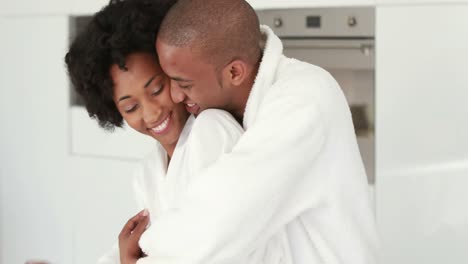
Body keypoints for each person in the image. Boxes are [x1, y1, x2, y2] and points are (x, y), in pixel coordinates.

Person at [135, 0, 380, 263]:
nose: (175, 94)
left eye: (184, 83)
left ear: (234, 72)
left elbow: (218, 222)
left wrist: (141, 252)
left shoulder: (303, 99)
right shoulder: (218, 111)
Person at [64, 0, 244, 264]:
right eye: (131, 106)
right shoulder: (147, 173)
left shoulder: (212, 130)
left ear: (174, 72)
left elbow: (216, 249)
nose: (151, 114)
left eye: (157, 90)